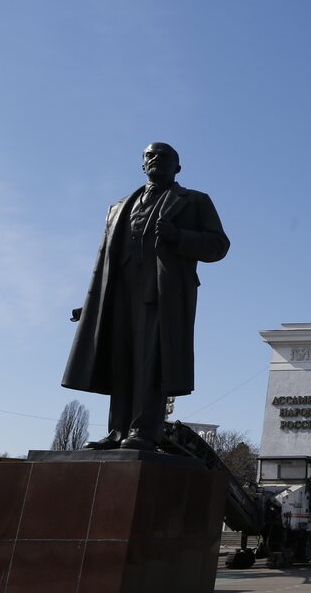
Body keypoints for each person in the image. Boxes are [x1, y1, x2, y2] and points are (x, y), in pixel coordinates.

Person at [64, 142, 230, 451]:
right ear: (142, 165)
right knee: (121, 362)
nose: (155, 159)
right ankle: (117, 432)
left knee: (151, 362)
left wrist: (179, 237)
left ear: (177, 167)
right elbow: (103, 260)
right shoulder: (117, 208)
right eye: (149, 156)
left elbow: (218, 245)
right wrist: (91, 304)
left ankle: (143, 431)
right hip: (120, 293)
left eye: (163, 156)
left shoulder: (194, 201)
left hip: (161, 294)